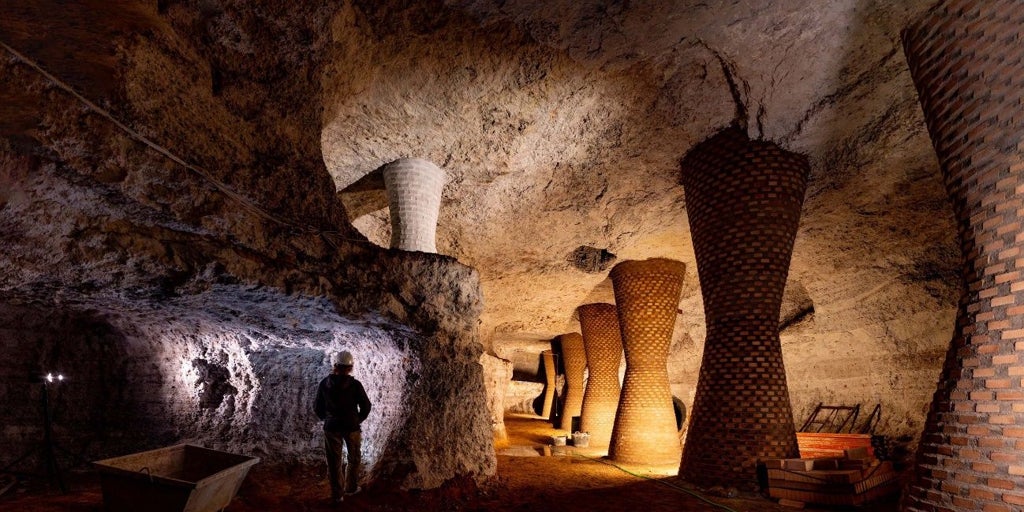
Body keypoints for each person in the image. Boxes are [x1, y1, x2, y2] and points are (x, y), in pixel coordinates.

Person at [314, 350, 371, 504]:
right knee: (354, 459)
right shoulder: (355, 385)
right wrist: (357, 419)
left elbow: (317, 407)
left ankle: (337, 495)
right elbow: (366, 406)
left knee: (334, 462)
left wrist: (327, 419)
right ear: (350, 368)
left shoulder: (325, 383)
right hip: (351, 427)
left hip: (332, 427)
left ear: (335, 366)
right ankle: (351, 488)